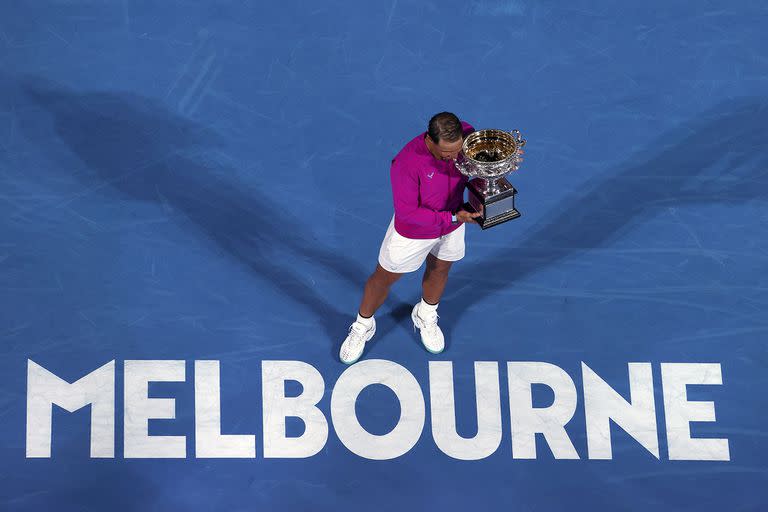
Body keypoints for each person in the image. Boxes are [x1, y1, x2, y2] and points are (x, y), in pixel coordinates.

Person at [339, 112, 481, 364]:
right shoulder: (406, 163)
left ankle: (426, 313)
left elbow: (479, 159)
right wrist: (452, 218)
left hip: (454, 220)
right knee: (383, 279)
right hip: (415, 231)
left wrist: (498, 164)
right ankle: (363, 325)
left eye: (457, 150)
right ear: (430, 140)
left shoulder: (466, 136)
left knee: (440, 268)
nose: (454, 157)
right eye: (447, 153)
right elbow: (408, 213)